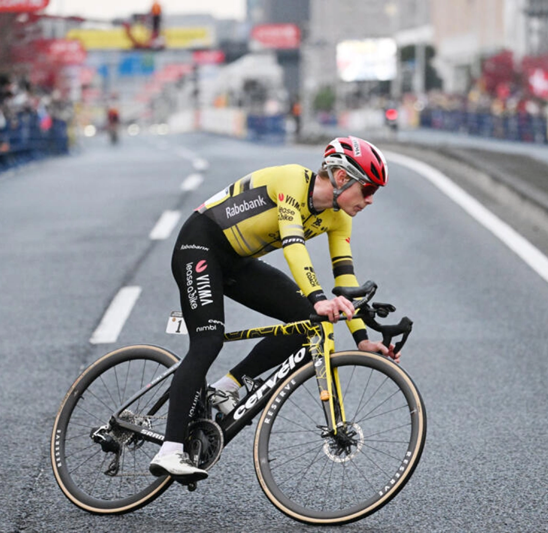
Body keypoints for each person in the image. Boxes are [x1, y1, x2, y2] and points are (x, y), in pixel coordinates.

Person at [149, 136, 399, 480]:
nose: (370, 199)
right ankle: (169, 450)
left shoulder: (339, 217)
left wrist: (362, 340)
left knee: (307, 323)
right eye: (368, 189)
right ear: (342, 177)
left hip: (237, 262)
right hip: (200, 244)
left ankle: (226, 387)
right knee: (208, 341)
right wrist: (318, 298)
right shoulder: (292, 180)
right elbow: (293, 245)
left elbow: (346, 281)